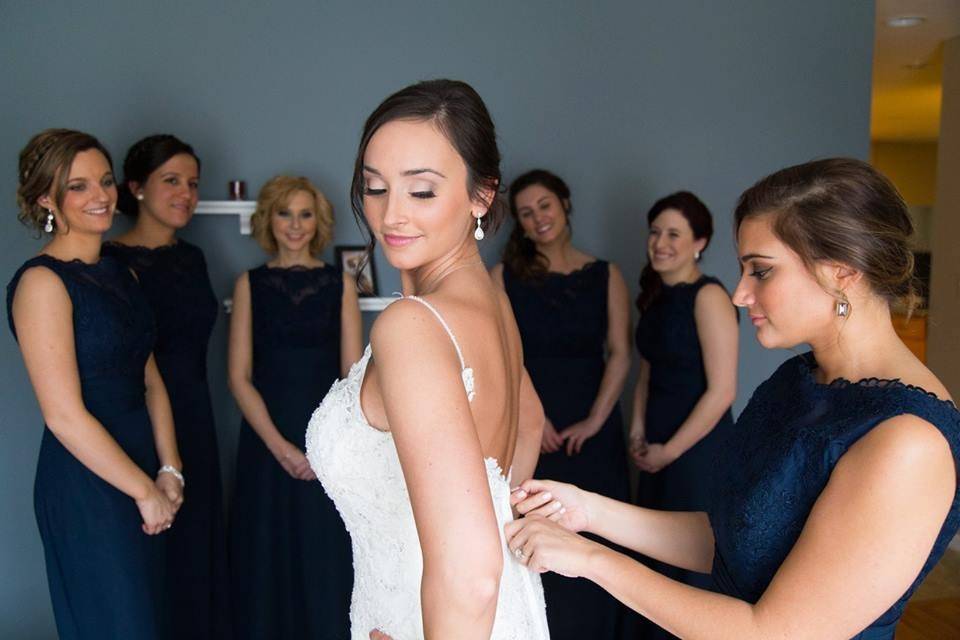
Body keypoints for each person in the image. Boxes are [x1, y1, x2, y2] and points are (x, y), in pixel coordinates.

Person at [506, 158, 960, 640]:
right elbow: (733, 540)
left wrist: (591, 559)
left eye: (761, 271)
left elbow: (773, 633)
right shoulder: (797, 381)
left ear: (842, 271)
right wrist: (587, 511)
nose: (740, 294)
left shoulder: (908, 443)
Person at [305, 79, 550, 639]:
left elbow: (470, 577)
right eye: (374, 187)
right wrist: (485, 519)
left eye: (421, 191)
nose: (391, 215)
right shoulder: (494, 304)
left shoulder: (412, 326)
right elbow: (531, 422)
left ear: (481, 195)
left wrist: (464, 558)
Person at [7, 129, 182, 639]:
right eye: (78, 186)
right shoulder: (41, 283)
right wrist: (144, 490)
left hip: (145, 467)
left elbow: (152, 380)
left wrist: (170, 469)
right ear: (46, 198)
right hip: (87, 482)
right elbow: (62, 414)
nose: (101, 196)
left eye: (105, 181)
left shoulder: (122, 275)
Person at [491, 169, 631, 640]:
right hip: (531, 428)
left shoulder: (605, 274)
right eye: (526, 213)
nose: (538, 218)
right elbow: (499, 359)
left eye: (545, 205)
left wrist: (595, 421)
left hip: (594, 433)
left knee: (600, 544)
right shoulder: (502, 277)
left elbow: (620, 353)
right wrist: (534, 419)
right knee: (536, 546)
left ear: (565, 204)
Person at [102, 134, 231, 639]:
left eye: (193, 184)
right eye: (171, 181)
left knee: (197, 558)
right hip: (141, 424)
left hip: (197, 418)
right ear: (136, 187)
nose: (186, 194)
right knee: (150, 560)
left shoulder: (193, 258)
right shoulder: (111, 261)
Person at [228, 175, 362, 639]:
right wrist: (281, 449)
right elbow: (238, 377)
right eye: (285, 213)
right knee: (265, 556)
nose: (295, 224)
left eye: (305, 214)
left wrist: (327, 449)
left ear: (318, 221)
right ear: (269, 219)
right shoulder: (249, 283)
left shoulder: (341, 283)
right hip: (265, 441)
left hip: (326, 441)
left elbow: (352, 380)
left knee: (325, 557)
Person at [630, 192, 738, 637]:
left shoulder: (709, 295)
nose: (660, 243)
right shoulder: (655, 296)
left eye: (673, 234)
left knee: (690, 563)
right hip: (655, 445)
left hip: (697, 451)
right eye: (655, 232)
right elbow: (646, 372)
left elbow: (722, 391)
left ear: (700, 242)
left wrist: (670, 451)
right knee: (654, 558)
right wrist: (637, 430)